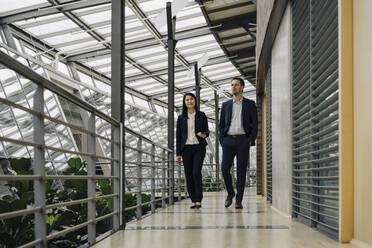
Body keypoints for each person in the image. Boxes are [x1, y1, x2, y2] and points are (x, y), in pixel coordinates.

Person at [219, 77, 258, 209]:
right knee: (224, 168)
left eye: (236, 85)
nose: (233, 87)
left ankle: (239, 200)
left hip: (243, 141)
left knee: (241, 172)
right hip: (228, 140)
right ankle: (231, 192)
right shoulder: (225, 105)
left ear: (242, 87)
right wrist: (222, 140)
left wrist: (250, 140)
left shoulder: (250, 104)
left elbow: (255, 125)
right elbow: (221, 125)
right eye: (232, 85)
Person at [176, 93, 209, 209]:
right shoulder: (181, 118)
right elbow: (178, 136)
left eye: (191, 99)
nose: (189, 101)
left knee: (196, 172)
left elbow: (207, 132)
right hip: (186, 149)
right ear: (185, 103)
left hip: (199, 148)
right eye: (187, 100)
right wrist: (178, 154)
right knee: (188, 175)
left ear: (195, 101)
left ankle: (199, 199)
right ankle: (193, 200)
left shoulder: (202, 115)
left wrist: (203, 134)